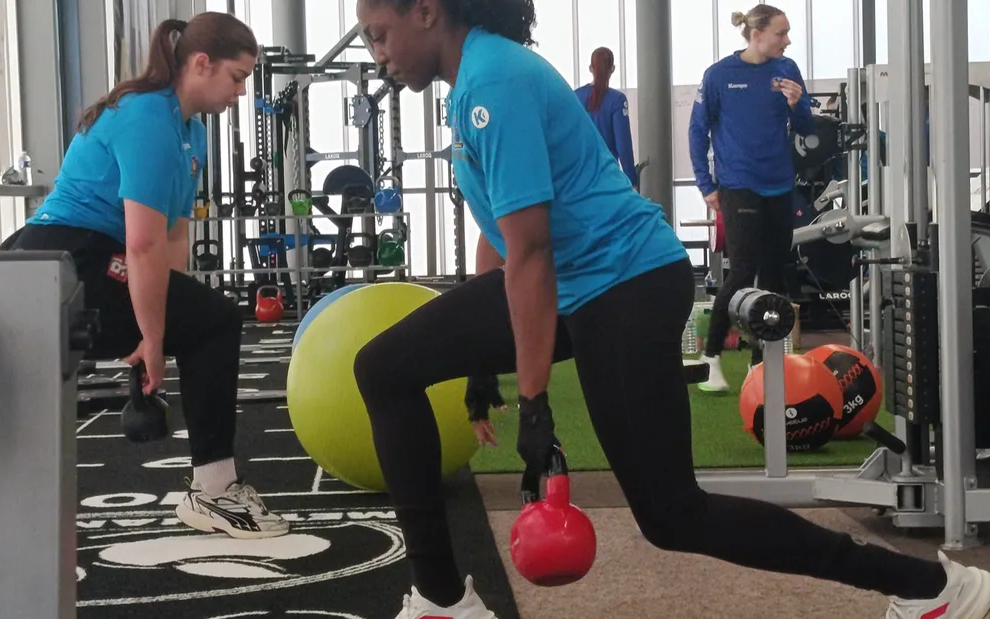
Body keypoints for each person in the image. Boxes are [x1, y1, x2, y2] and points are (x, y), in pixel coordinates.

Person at [352, 1, 990, 619]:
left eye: (380, 35)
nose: (378, 57)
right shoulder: (468, 85)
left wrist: (534, 402)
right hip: (570, 281)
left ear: (427, 11)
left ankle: (932, 585)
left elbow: (532, 250)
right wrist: (480, 361)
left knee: (672, 515)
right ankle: (441, 602)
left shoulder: (493, 80)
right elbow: (501, 226)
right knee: (384, 367)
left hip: (625, 284)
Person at [2, 12, 288, 540]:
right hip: (59, 257)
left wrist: (168, 319)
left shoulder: (190, 132)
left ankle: (215, 489)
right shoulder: (147, 118)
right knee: (221, 319)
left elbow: (172, 237)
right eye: (238, 76)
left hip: (97, 255)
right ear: (201, 64)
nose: (242, 92)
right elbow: (141, 242)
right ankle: (215, 492)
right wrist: (153, 336)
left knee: (208, 318)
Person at [688, 4, 814, 392]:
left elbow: (807, 130)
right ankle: (711, 359)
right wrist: (705, 184)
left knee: (776, 276)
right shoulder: (719, 75)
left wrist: (798, 106)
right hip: (738, 185)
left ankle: (762, 365)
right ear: (756, 33)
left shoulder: (787, 70)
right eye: (781, 33)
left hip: (779, 185)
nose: (788, 40)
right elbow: (697, 132)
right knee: (743, 271)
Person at [574, 47, 638, 189]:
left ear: (591, 68)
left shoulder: (575, 96)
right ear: (613, 69)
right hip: (606, 177)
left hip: (579, 177)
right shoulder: (617, 100)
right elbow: (623, 145)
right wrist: (632, 180)